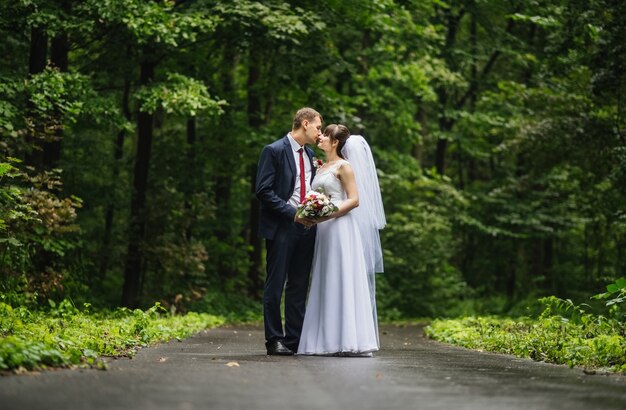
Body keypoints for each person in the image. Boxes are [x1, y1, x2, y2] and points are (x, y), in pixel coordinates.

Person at [297, 124, 385, 356]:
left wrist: (325, 214)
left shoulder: (345, 167)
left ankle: (348, 340)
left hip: (341, 228)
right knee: (326, 278)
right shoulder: (322, 166)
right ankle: (324, 340)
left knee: (341, 277)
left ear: (335, 142)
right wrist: (312, 214)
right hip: (324, 230)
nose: (321, 137)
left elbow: (354, 200)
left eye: (325, 135)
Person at [255, 107, 323, 355]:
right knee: (275, 286)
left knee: (298, 285)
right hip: (282, 226)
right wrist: (291, 213)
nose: (319, 132)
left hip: (307, 228)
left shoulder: (311, 155)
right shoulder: (273, 151)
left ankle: (294, 341)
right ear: (304, 124)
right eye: (317, 127)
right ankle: (274, 340)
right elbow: (263, 191)